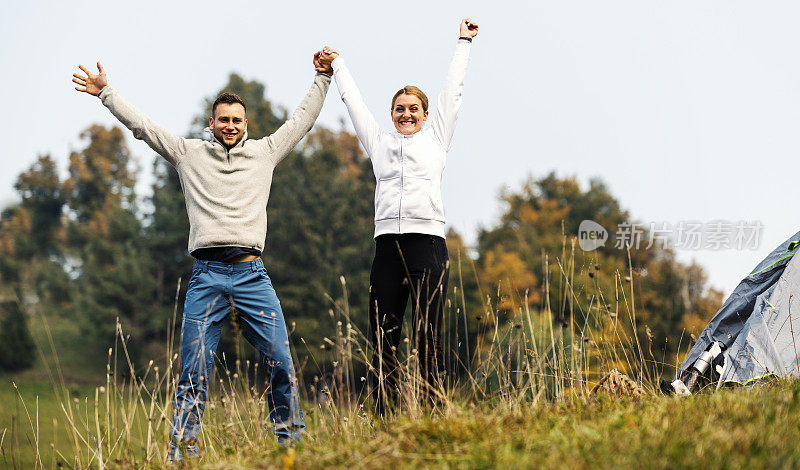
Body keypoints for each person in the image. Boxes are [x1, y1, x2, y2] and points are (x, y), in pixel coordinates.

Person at [72, 54, 333, 458]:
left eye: (237, 120)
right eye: (223, 120)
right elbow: (144, 128)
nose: (230, 126)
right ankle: (182, 454)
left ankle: (290, 449)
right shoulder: (188, 154)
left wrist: (322, 76)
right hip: (206, 276)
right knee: (194, 370)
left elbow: (302, 122)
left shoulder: (265, 153)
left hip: (252, 275)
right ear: (211, 124)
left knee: (281, 359)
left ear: (246, 125)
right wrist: (106, 92)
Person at [318, 18, 479, 413]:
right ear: (391, 114)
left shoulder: (438, 138)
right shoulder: (379, 143)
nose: (406, 115)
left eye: (413, 109)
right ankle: (385, 418)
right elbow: (354, 103)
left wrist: (463, 42)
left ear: (425, 114)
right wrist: (338, 65)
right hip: (387, 249)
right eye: (399, 109)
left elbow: (452, 94)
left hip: (428, 248)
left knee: (428, 338)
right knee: (383, 339)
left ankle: (433, 417)